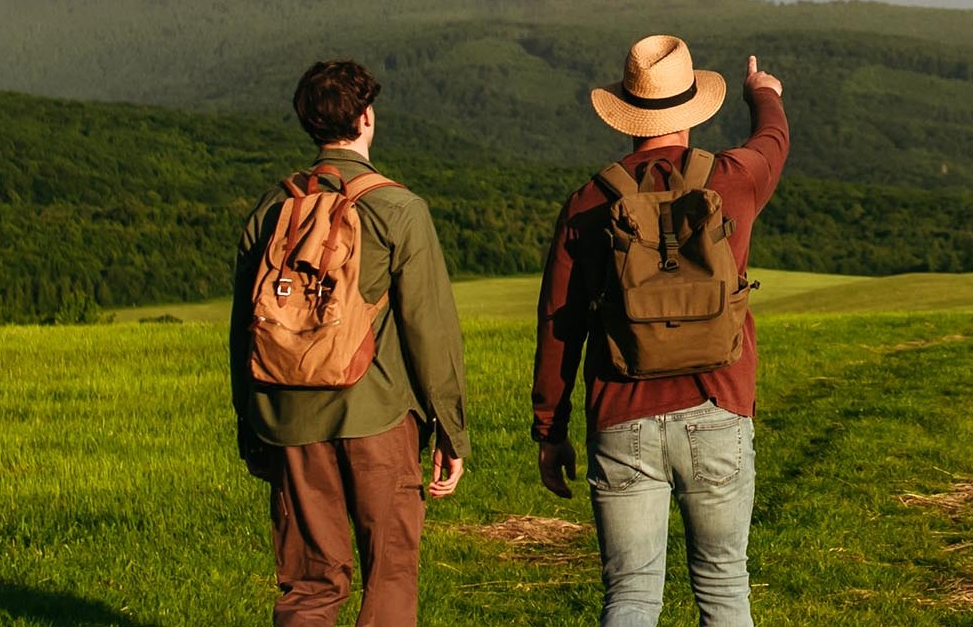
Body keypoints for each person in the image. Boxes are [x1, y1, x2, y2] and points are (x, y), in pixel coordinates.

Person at [531, 35, 789, 627]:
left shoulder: (588, 202)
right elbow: (773, 143)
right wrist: (763, 95)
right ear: (693, 106)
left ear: (626, 110)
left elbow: (559, 326)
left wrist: (550, 430)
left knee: (630, 597)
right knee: (725, 589)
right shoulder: (733, 180)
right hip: (717, 405)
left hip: (621, 413)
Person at [231, 59, 467, 627]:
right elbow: (430, 331)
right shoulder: (398, 208)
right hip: (378, 418)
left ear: (309, 123)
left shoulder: (271, 210)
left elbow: (244, 333)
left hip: (287, 420)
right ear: (365, 118)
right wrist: (451, 430)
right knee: (387, 580)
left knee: (309, 586)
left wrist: (252, 425)